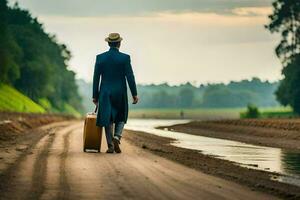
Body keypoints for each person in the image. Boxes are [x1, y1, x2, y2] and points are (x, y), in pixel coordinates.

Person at [92, 33, 139, 153]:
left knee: (107, 119)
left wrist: (95, 96)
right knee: (121, 116)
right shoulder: (125, 58)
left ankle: (110, 146)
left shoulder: (100, 58)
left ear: (108, 43)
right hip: (120, 92)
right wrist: (134, 94)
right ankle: (117, 136)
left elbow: (96, 78)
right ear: (119, 43)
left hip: (105, 92)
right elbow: (130, 77)